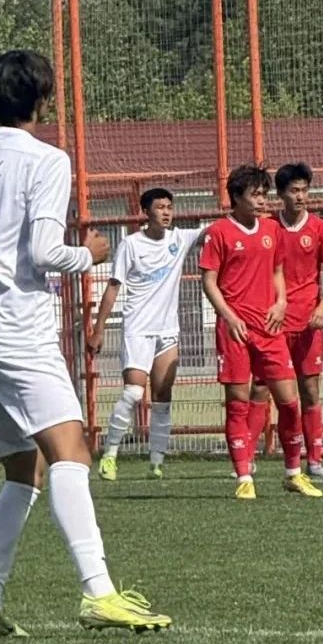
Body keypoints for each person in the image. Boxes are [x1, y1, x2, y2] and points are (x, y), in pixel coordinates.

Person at [0, 48, 172, 638]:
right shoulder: (47, 160)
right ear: (43, 99)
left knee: (23, 473)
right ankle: (99, 593)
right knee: (72, 453)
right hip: (20, 331)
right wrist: (87, 255)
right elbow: (46, 252)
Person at [199, 164, 323, 500]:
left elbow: (277, 270)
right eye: (255, 195)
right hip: (235, 331)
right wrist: (228, 316)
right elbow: (209, 281)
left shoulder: (270, 229)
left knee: (289, 402)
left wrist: (281, 302)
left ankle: (294, 473)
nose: (262, 201)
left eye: (264, 194)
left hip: (270, 330)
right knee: (239, 403)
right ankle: (244, 476)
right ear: (236, 197)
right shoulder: (218, 232)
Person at [88, 187, 203, 479]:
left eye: (169, 207)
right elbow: (113, 287)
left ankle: (156, 461)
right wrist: (98, 329)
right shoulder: (131, 245)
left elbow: (218, 230)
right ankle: (110, 455)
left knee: (163, 396)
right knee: (134, 393)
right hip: (137, 329)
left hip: (167, 331)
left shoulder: (180, 238)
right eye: (160, 207)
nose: (166, 212)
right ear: (145, 212)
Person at [245, 162, 323, 478]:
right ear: (281, 194)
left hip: (307, 322)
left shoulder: (319, 228)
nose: (300, 196)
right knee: (261, 387)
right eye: (294, 191)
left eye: (304, 190)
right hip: (273, 323)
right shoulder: (269, 227)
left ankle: (314, 460)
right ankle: (246, 461)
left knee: (309, 388)